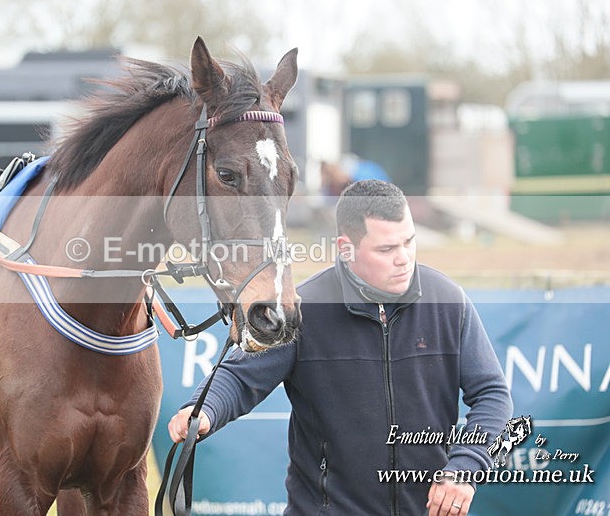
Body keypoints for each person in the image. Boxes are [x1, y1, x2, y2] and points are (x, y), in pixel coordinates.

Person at [167, 179, 513, 516]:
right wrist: (203, 411)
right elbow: (240, 378)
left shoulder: (448, 301)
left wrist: (466, 465)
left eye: (409, 242)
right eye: (386, 249)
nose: (404, 258)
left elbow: (492, 394)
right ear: (346, 248)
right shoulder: (303, 309)